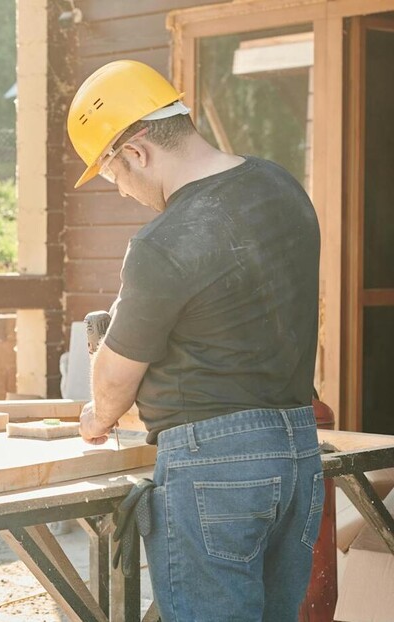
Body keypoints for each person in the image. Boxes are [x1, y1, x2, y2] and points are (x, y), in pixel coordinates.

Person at [68, 61, 323, 621]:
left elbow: (113, 385)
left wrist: (96, 418)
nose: (123, 193)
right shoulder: (283, 188)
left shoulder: (165, 241)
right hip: (300, 450)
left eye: (115, 176)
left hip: (215, 467)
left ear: (136, 151)